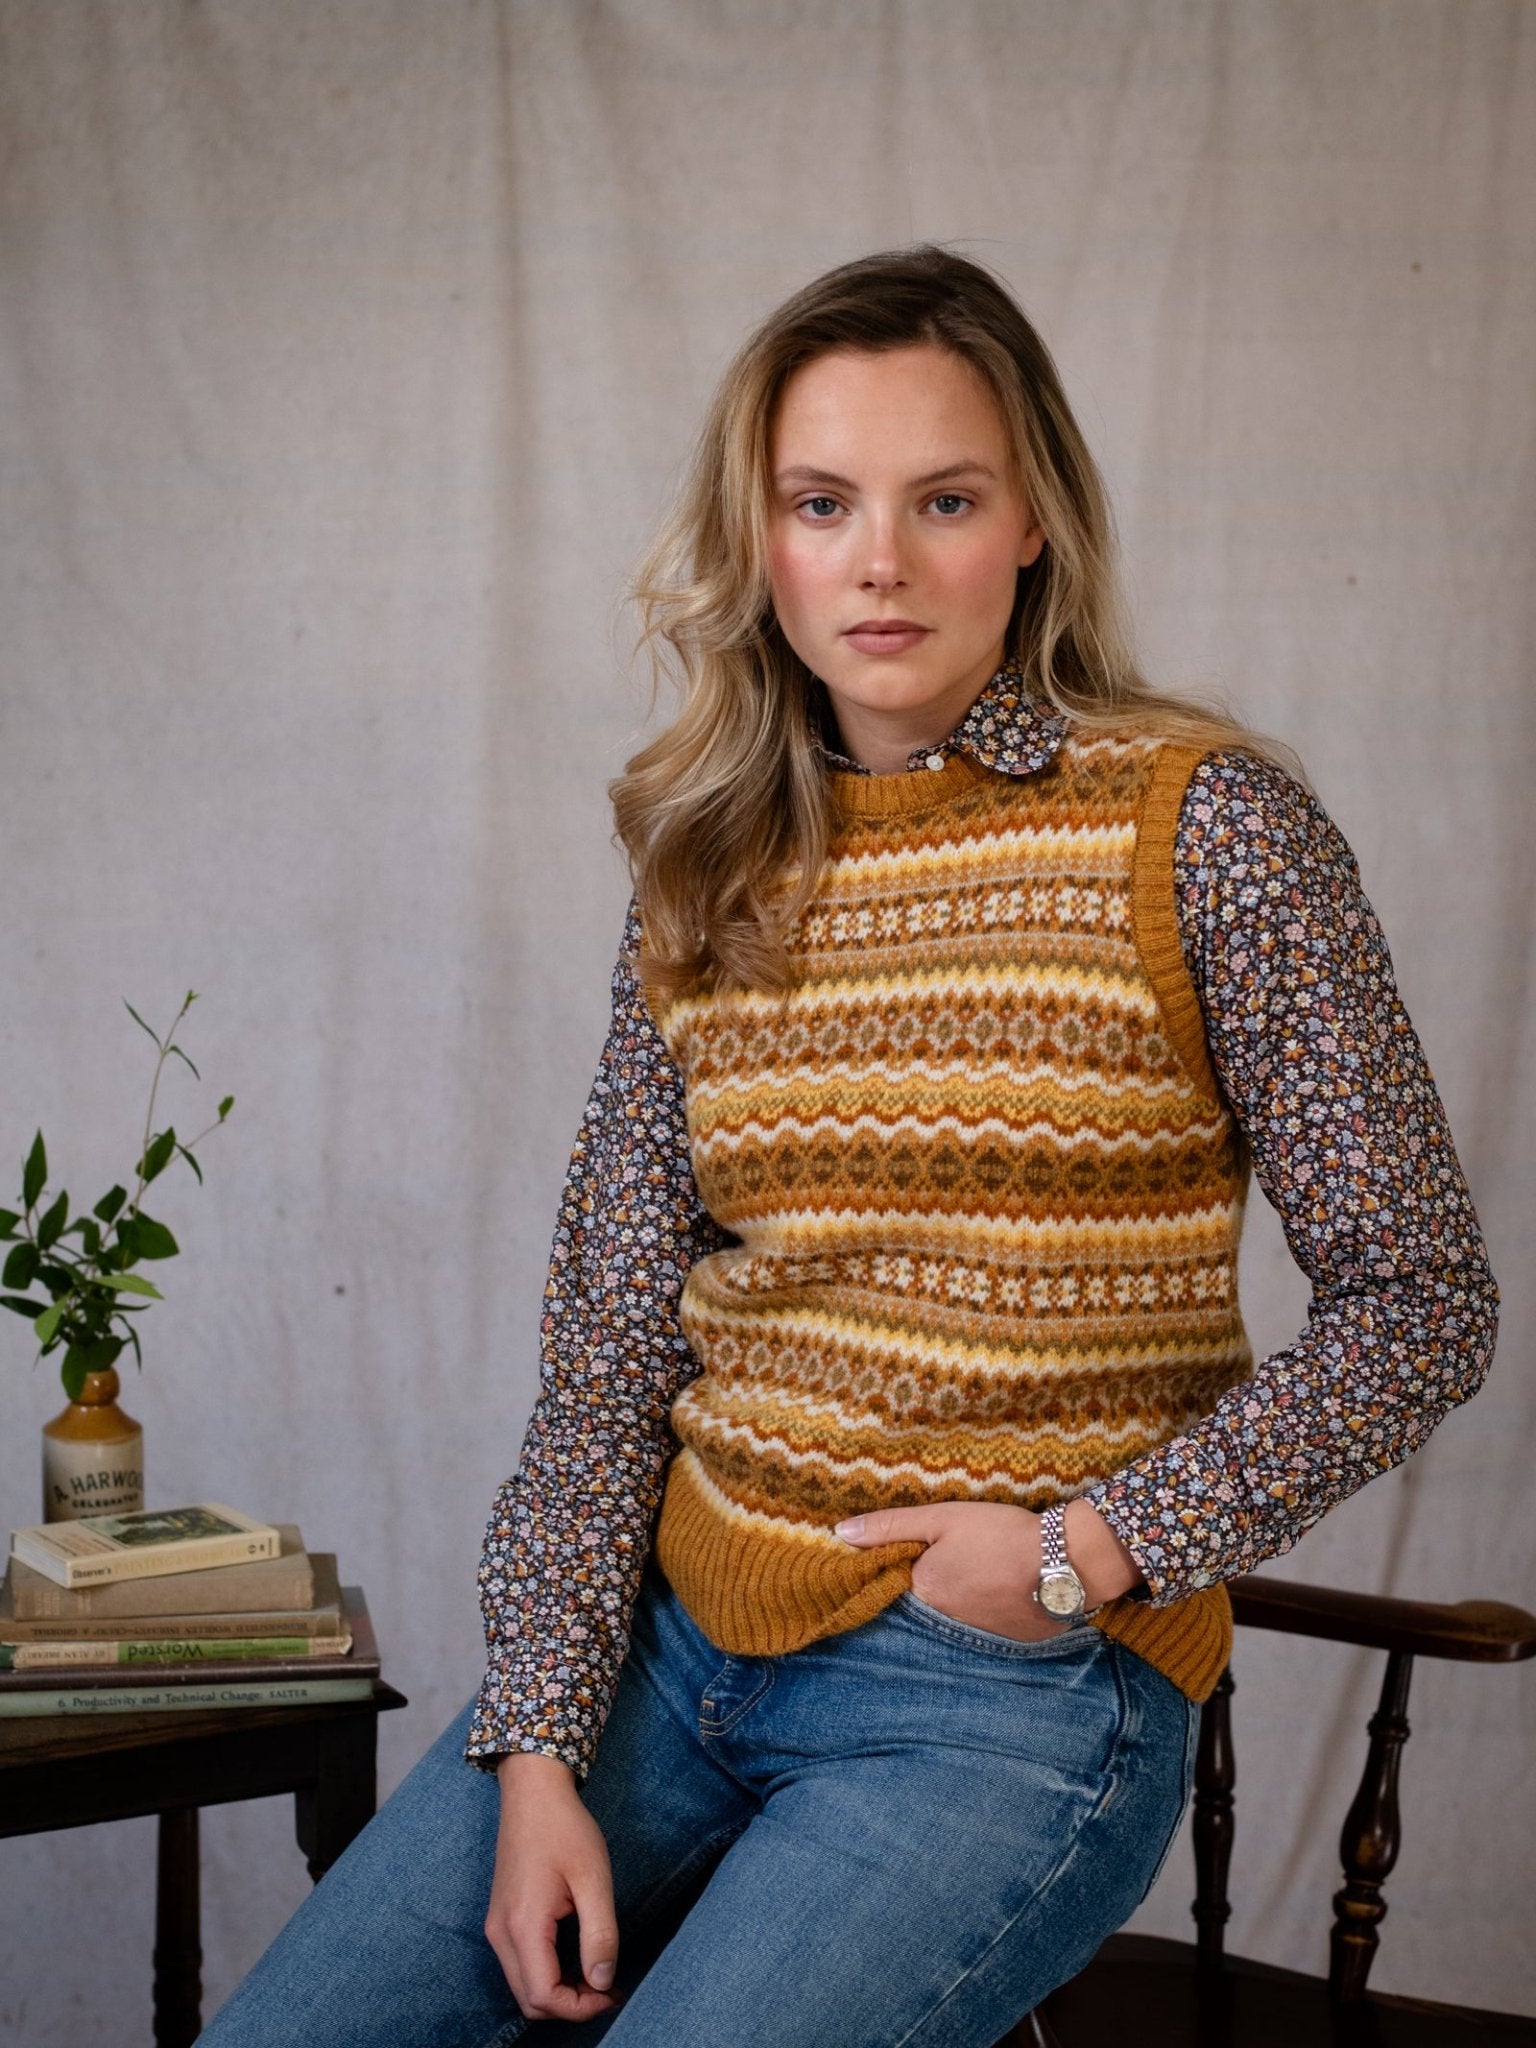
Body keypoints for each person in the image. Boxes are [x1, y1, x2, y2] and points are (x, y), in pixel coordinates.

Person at [198, 246, 1497, 2048]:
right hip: (671, 1656)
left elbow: (1421, 1301)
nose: (879, 560)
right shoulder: (705, 871)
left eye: (942, 499)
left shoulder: (1209, 832)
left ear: (1031, 521)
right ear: (765, 542)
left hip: (1003, 1697)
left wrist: (1088, 1549)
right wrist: (537, 1751)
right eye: (822, 504)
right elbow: (606, 1362)